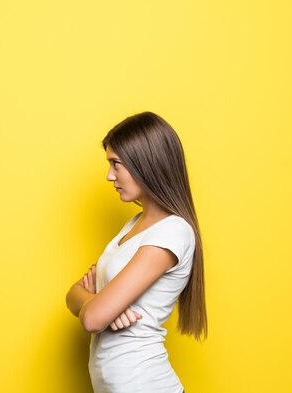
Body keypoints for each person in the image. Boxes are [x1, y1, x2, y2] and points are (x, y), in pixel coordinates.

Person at [66, 112, 207, 393]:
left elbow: (93, 319)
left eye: (116, 164)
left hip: (144, 384)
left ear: (147, 164)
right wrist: (97, 302)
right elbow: (73, 296)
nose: (109, 176)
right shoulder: (133, 224)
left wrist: (99, 307)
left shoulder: (173, 232)